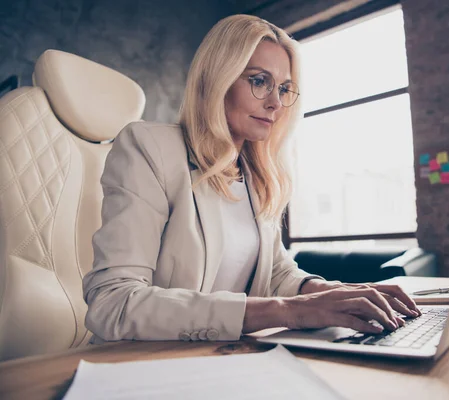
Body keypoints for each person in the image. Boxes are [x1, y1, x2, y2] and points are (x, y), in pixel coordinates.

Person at [83, 14, 420, 343]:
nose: (275, 103)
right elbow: (114, 302)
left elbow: (276, 271)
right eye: (259, 81)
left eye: (285, 88)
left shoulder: (256, 174)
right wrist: (288, 310)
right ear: (217, 80)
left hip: (227, 359)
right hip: (143, 366)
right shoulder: (150, 148)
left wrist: (336, 292)